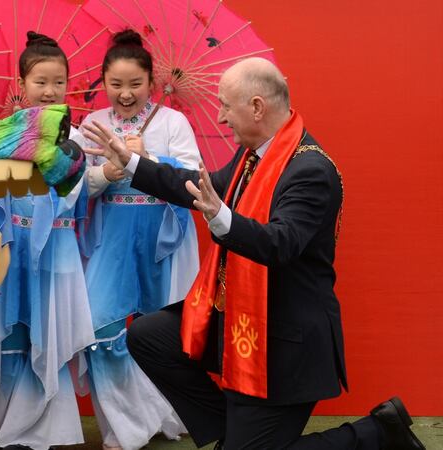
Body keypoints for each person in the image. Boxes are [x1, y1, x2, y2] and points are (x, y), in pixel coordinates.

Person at [82, 57, 425, 450]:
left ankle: (376, 434)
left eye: (227, 105)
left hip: (286, 343)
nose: (222, 117)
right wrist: (131, 164)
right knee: (148, 335)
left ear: (258, 107)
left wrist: (221, 218)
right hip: (240, 320)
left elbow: (280, 244)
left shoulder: (310, 170)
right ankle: (235, 434)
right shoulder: (253, 157)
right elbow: (196, 184)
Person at [77, 29, 201, 450]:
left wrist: (148, 159)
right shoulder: (92, 125)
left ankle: (162, 416)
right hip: (111, 238)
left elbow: (193, 176)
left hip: (161, 240)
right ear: (103, 82)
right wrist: (104, 174)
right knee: (98, 328)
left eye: (135, 84)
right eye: (116, 85)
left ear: (151, 81)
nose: (125, 94)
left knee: (159, 334)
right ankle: (131, 423)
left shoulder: (172, 122)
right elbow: (73, 185)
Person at [0, 31, 95, 450]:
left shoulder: (76, 141)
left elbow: (74, 196)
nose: (50, 90)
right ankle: (3, 428)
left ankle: (36, 433)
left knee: (48, 335)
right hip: (13, 249)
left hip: (57, 249)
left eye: (59, 81)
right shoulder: (5, 135)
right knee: (13, 336)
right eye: (40, 81)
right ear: (21, 85)